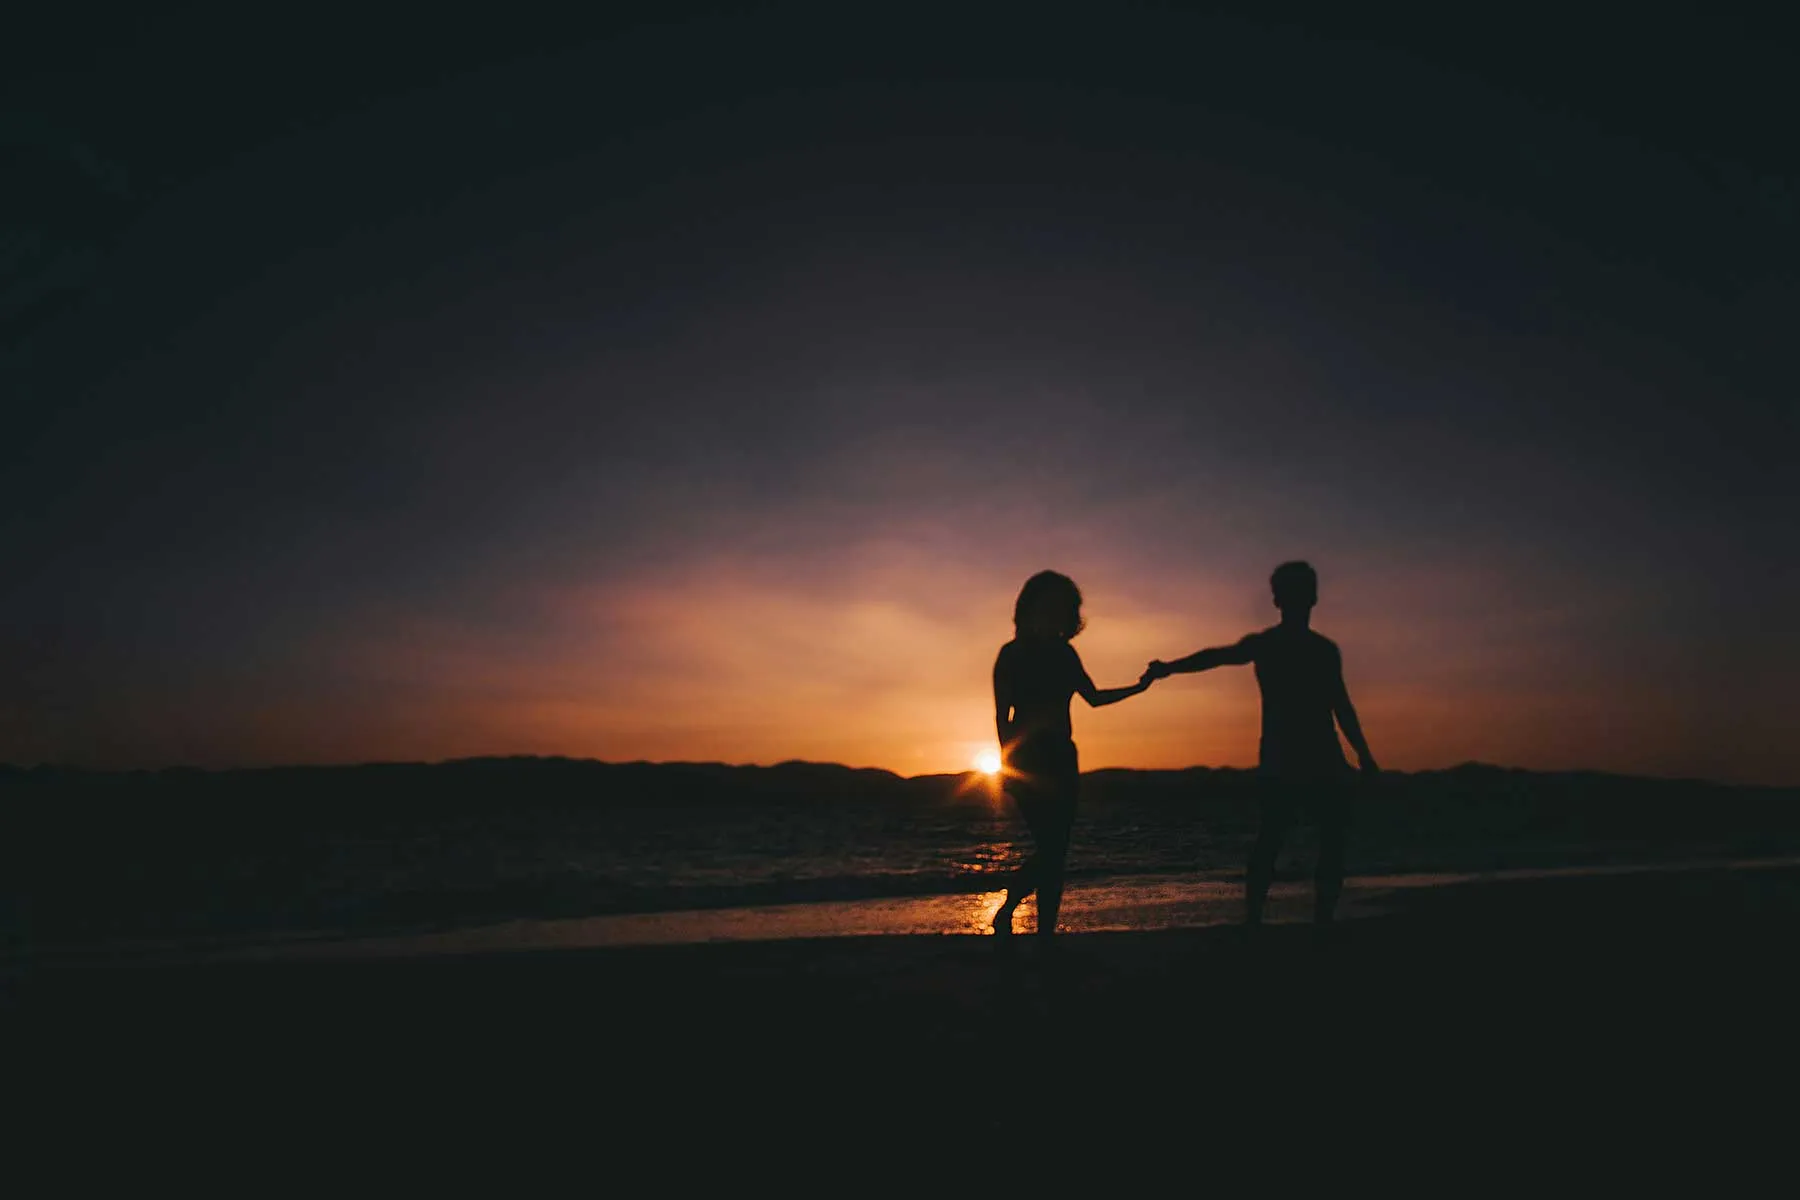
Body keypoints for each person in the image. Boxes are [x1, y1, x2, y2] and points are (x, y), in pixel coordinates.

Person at [1147, 561, 1378, 929]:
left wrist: (1364, 754)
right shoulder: (1303, 648)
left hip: (1301, 755)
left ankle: (1270, 921)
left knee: (1288, 839)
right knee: (1300, 839)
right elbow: (1341, 705)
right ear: (1309, 597)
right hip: (1299, 755)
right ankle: (1304, 921)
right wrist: (1170, 668)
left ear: (1277, 599)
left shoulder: (1298, 648)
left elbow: (1340, 705)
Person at [991, 570, 1154, 941]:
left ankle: (1039, 929)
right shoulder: (1012, 654)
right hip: (1027, 761)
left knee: (1056, 850)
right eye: (1046, 606)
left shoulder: (1065, 653)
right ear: (1029, 608)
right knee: (1050, 848)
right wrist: (1007, 767)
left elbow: (1094, 698)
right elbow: (1001, 717)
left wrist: (1138, 688)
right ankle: (1011, 909)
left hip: (1063, 759)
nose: (1053, 615)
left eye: (1061, 608)